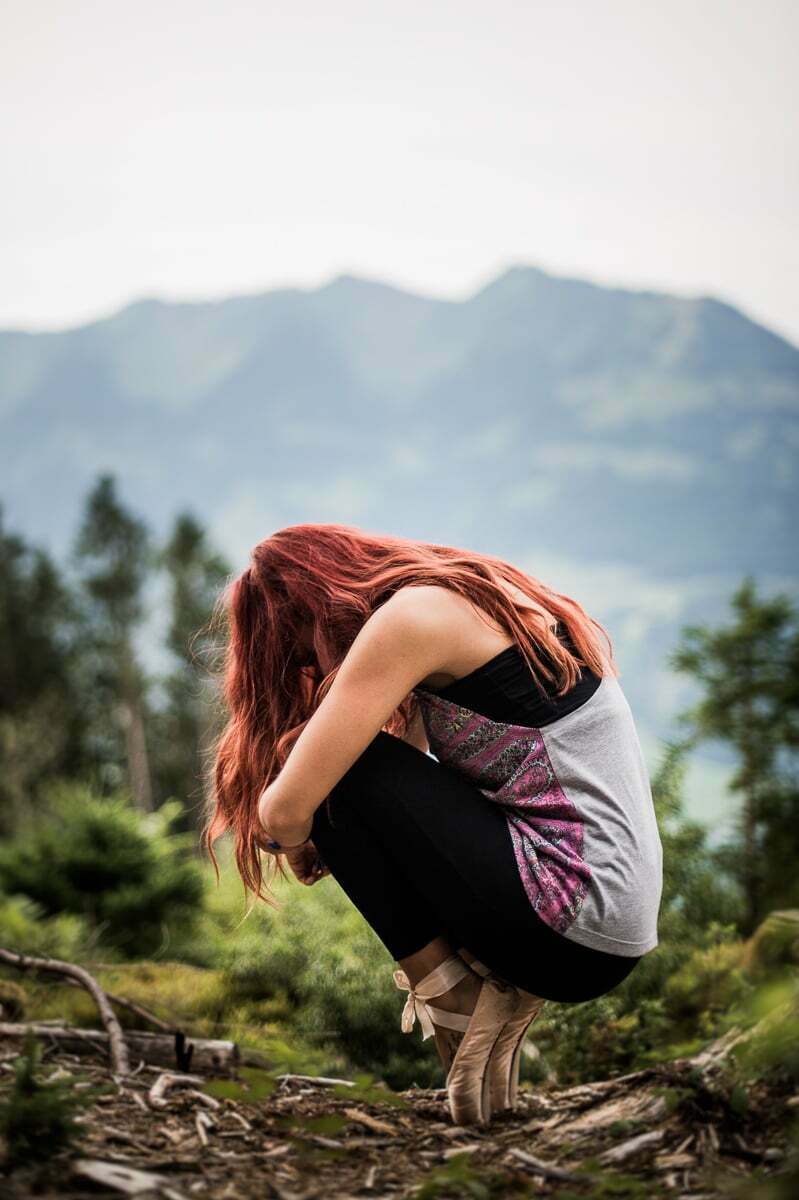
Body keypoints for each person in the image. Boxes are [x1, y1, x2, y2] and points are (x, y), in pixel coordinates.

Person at [205, 523, 664, 1126]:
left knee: (333, 769)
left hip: (570, 917)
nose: (310, 668)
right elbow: (415, 771)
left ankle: (456, 996)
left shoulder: (412, 618)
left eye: (298, 650)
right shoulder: (471, 601)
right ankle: (477, 995)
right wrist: (316, 819)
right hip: (605, 923)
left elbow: (285, 809)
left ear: (321, 608)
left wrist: (294, 831)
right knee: (340, 766)